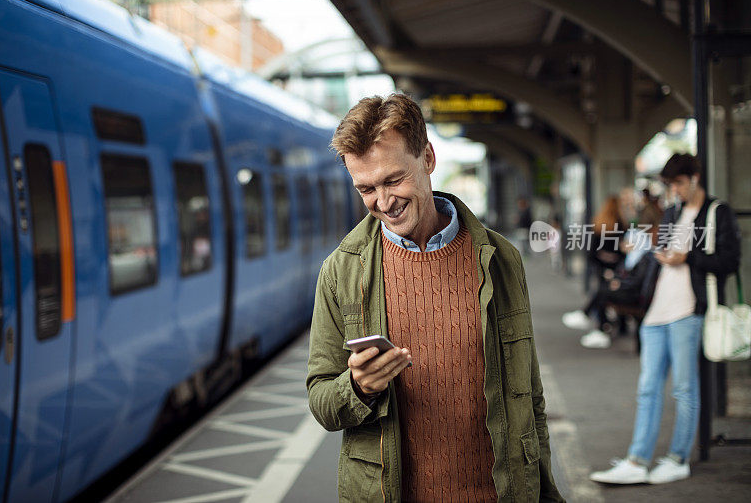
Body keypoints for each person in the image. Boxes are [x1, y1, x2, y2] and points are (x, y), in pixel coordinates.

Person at [306, 94, 564, 502]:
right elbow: (322, 401)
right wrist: (357, 387)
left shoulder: (500, 259)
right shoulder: (340, 272)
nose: (384, 202)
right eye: (366, 189)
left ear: (427, 158)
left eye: (393, 180)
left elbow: (530, 399)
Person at [589, 153, 741, 485]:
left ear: (695, 178)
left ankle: (678, 458)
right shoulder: (671, 212)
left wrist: (688, 257)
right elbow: (663, 254)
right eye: (670, 184)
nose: (674, 190)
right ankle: (637, 459)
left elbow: (730, 261)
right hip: (658, 309)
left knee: (685, 388)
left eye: (678, 183)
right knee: (647, 387)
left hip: (688, 310)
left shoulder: (717, 212)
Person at [562, 195, 627, 348]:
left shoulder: (599, 225)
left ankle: (597, 322)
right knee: (604, 294)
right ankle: (603, 326)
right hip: (616, 268)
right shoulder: (622, 226)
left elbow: (592, 252)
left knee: (602, 293)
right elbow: (623, 251)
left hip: (601, 267)